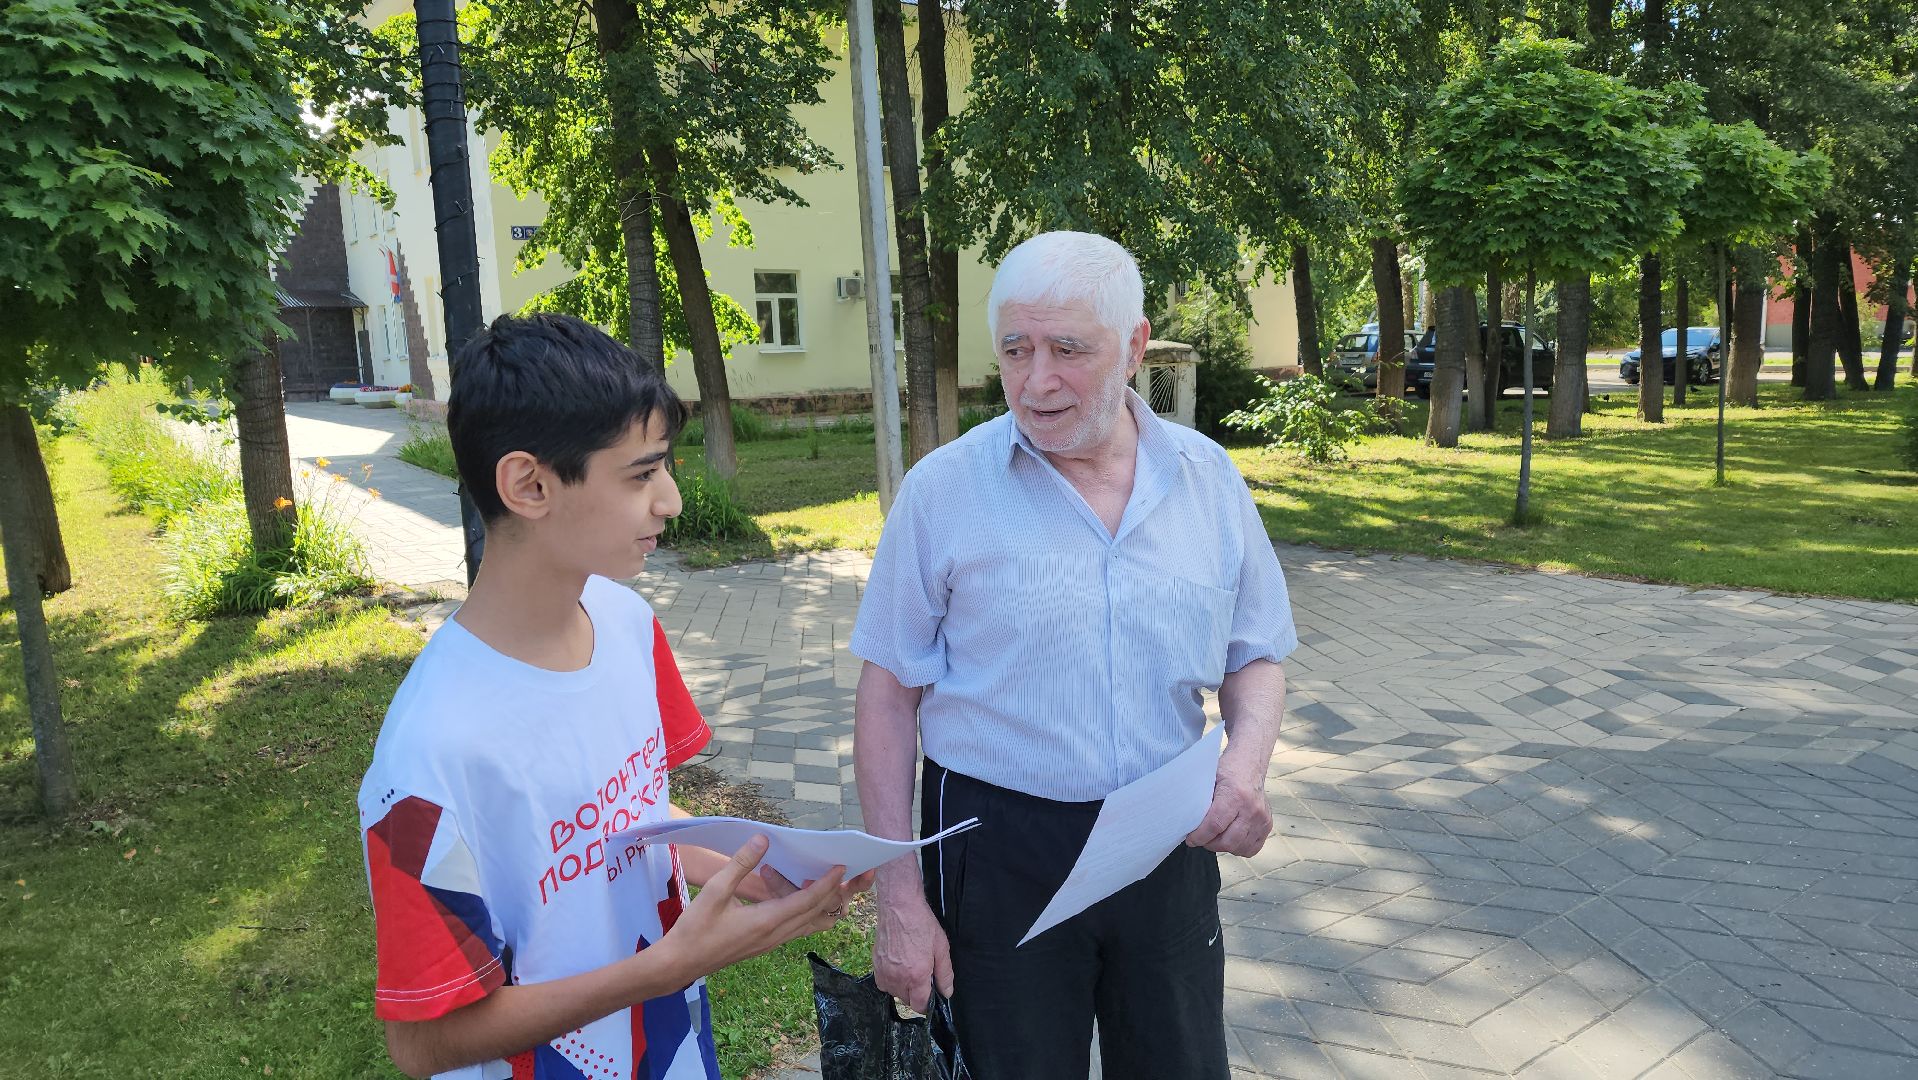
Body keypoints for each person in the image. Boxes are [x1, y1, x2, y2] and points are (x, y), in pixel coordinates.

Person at [357, 313, 866, 1080]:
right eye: (640, 474)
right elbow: (424, 1042)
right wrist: (658, 970)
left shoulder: (628, 624)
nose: (672, 502)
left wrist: (758, 868)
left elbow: (632, 825)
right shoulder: (429, 757)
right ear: (529, 484)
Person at [851, 232, 1296, 1079]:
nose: (1036, 380)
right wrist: (898, 900)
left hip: (1168, 835)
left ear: (1134, 346)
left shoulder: (1207, 479)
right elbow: (885, 696)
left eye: (1067, 350)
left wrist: (1244, 769)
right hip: (994, 843)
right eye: (1016, 350)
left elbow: (1257, 651)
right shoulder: (945, 491)